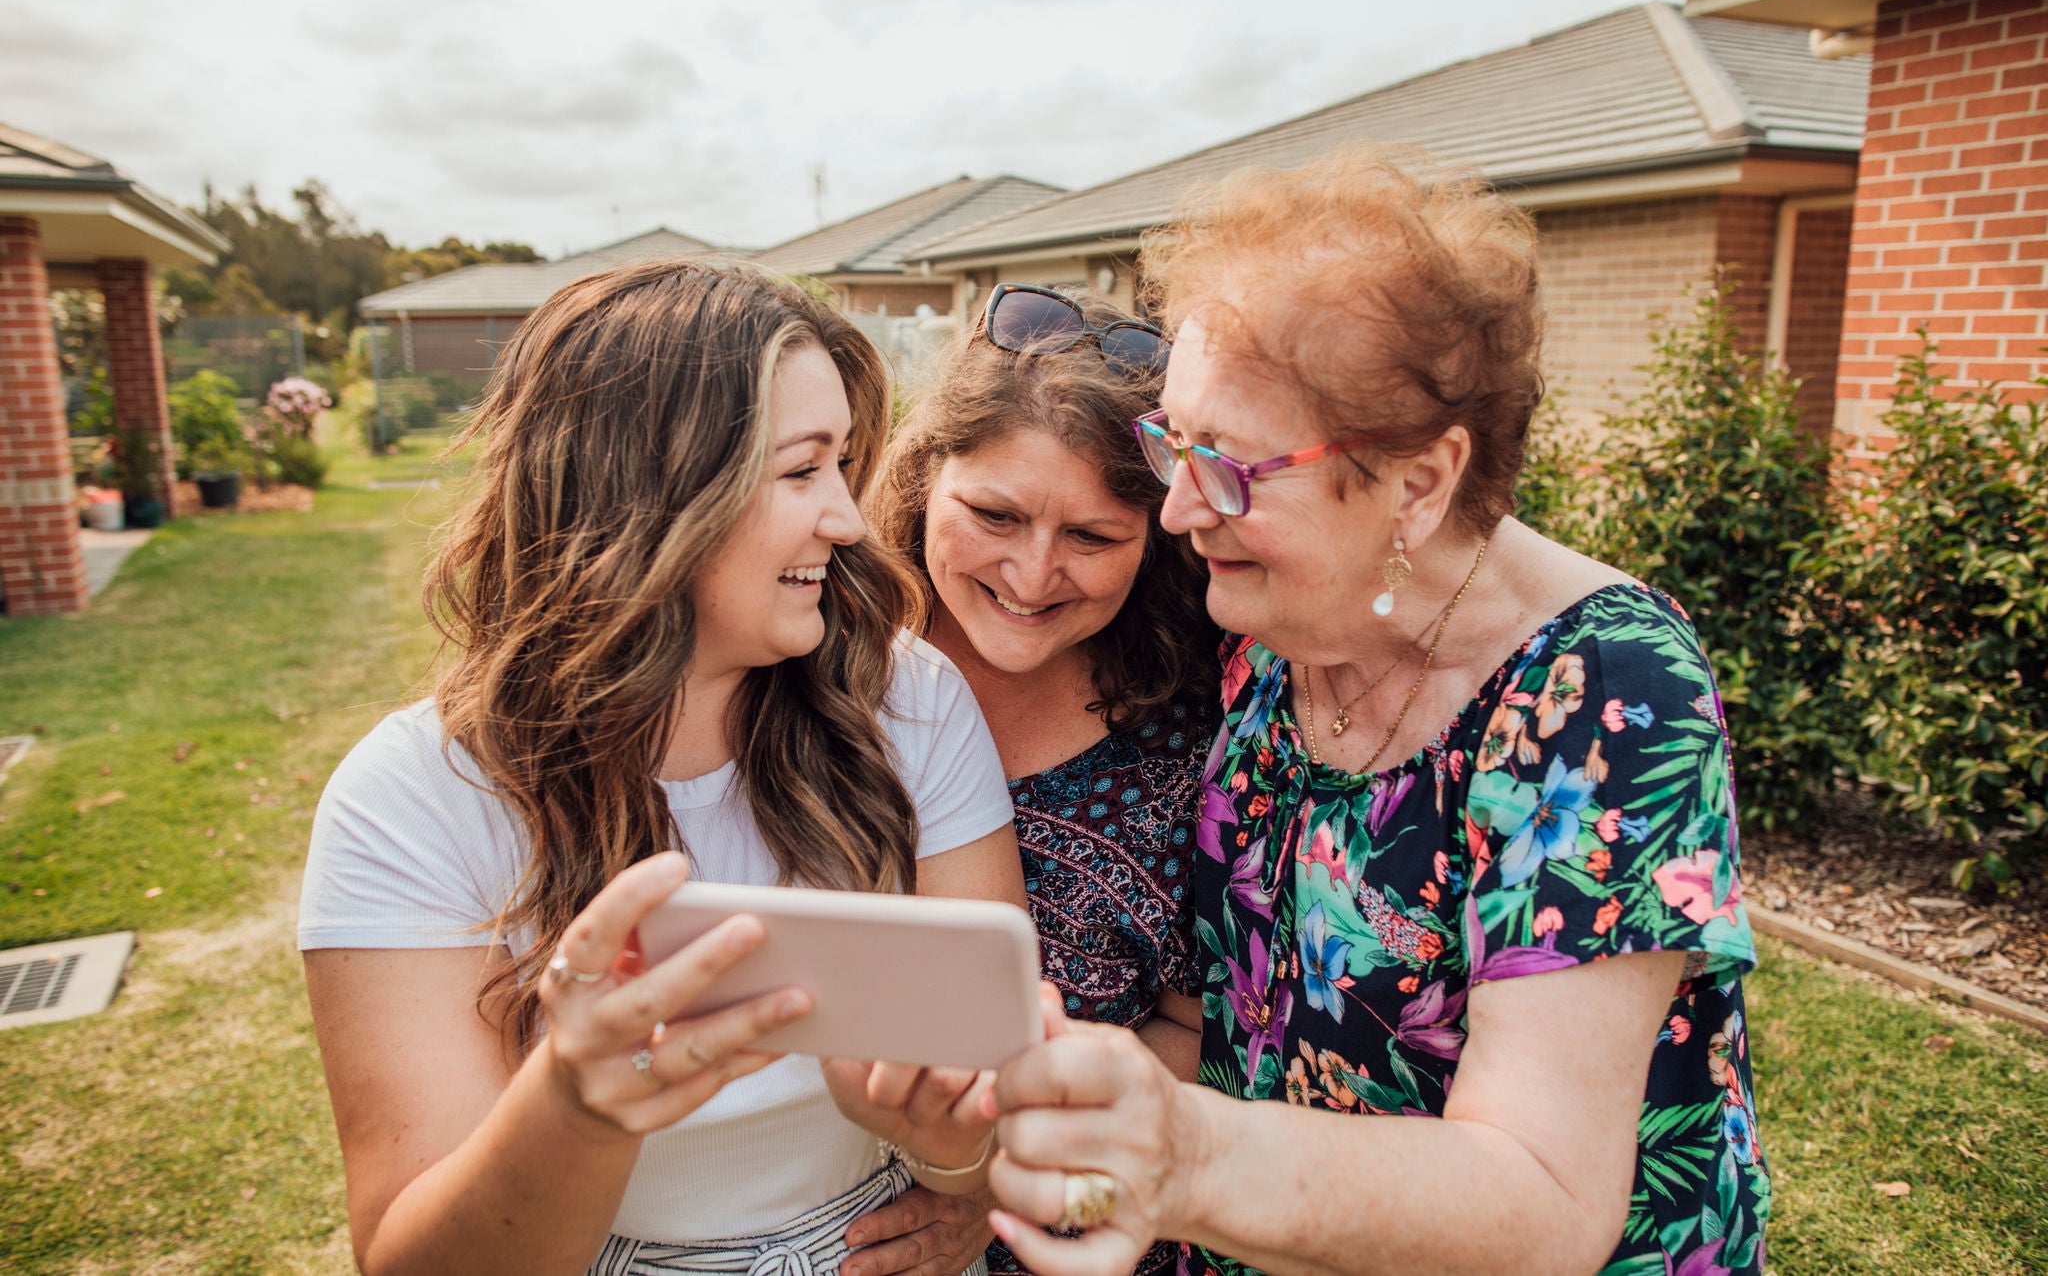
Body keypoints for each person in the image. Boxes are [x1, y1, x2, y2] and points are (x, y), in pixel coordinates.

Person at [979, 150, 1768, 1276]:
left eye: (1232, 466)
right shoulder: (1267, 619)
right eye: (1174, 440)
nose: (1177, 505)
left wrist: (1191, 1161)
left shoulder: (1603, 690)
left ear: (1418, 481)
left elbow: (1541, 1198)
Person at [298, 260, 1025, 1276]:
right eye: (799, 471)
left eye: (843, 467)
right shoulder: (409, 800)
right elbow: (411, 1260)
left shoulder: (911, 704)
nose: (847, 520)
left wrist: (953, 1154)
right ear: (650, 495)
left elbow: (994, 1122)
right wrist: (575, 1106)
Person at [845, 286, 1219, 1276]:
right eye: (995, 514)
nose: (1033, 572)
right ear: (928, 473)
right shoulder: (813, 665)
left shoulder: (1195, 726)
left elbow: (1189, 1037)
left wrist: (995, 1190)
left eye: (1093, 538)